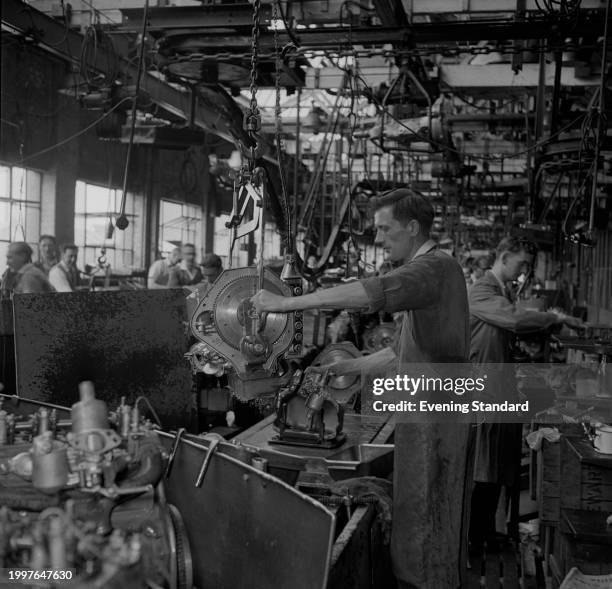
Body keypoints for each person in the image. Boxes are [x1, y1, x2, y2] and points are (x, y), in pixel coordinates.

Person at [251, 188, 471, 589]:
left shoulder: (432, 269)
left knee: (428, 518)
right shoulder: (432, 278)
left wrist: (283, 305)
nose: (380, 237)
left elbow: (371, 292)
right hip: (429, 416)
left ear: (413, 227)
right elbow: (396, 353)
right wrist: (346, 366)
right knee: (425, 516)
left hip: (435, 421)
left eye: (386, 229)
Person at [468, 236, 583, 551]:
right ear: (504, 257)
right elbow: (514, 318)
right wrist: (554, 319)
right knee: (484, 466)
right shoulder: (480, 291)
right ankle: (475, 538)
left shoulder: (498, 291)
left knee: (496, 466)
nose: (523, 272)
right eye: (522, 264)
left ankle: (485, 533)